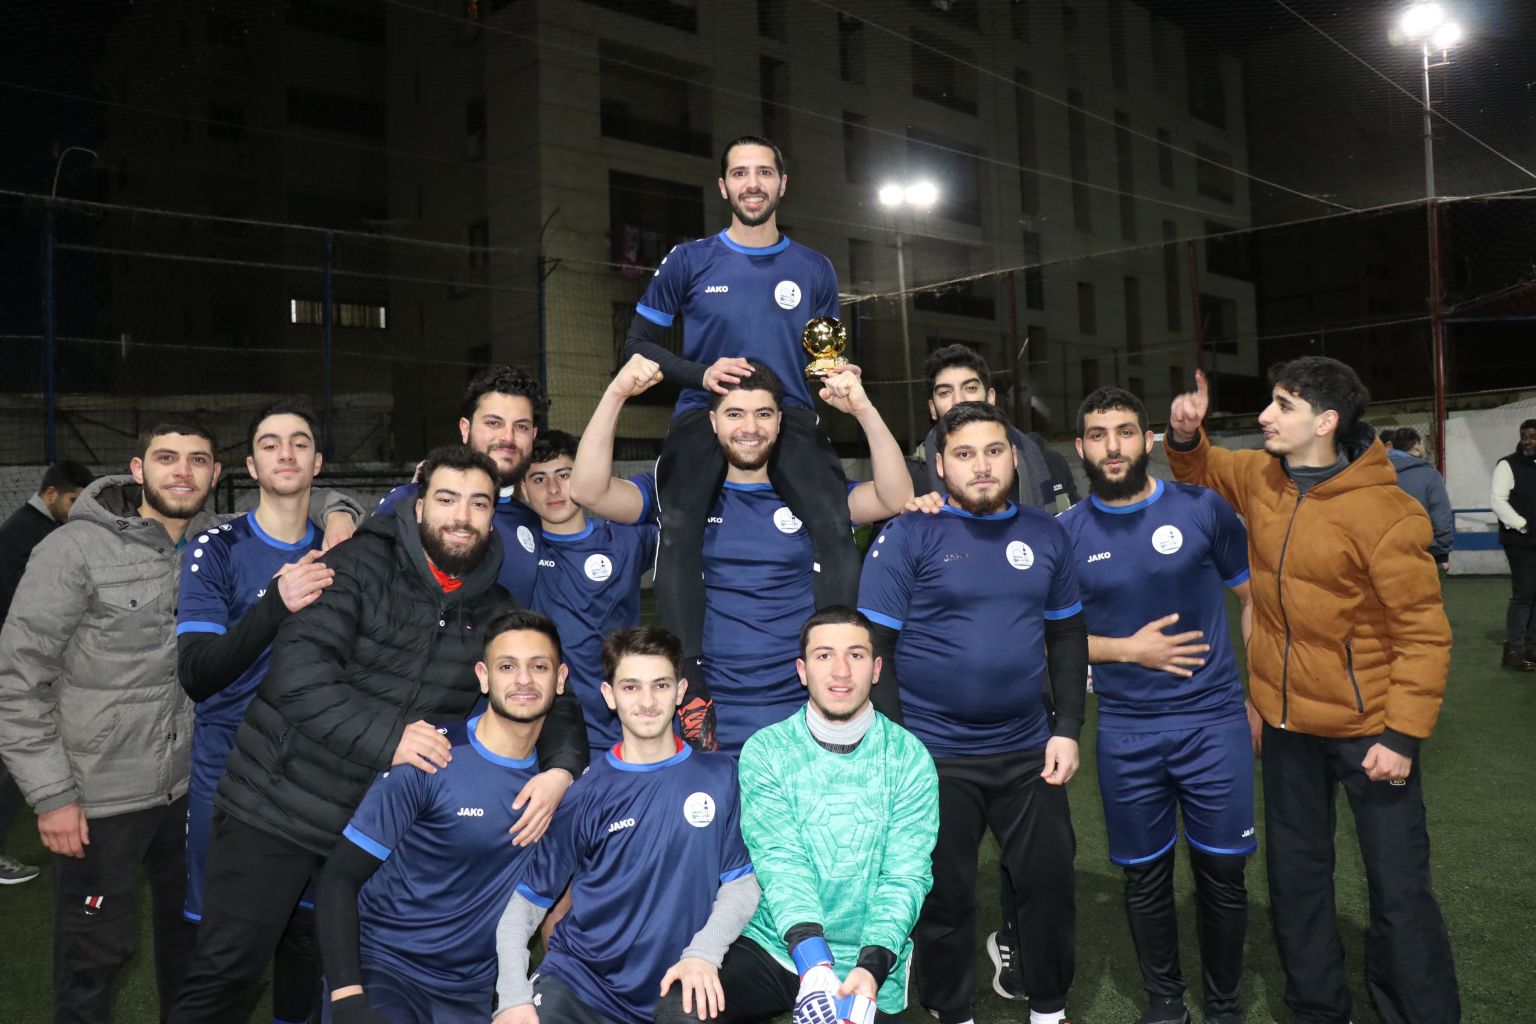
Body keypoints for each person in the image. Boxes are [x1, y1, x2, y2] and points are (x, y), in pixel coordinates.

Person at [170, 445, 588, 1023]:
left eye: (478, 503)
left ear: (493, 515)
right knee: (227, 975)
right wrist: (392, 736)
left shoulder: (494, 608)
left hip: (370, 828)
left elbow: (552, 694)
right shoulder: (356, 565)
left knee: (321, 981)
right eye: (447, 499)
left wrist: (560, 770)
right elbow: (296, 678)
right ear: (418, 507)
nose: (462, 516)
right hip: (278, 807)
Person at [0, 424, 357, 1022]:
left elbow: (294, 495)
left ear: (217, 474)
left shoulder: (217, 540)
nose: (182, 472)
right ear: (137, 470)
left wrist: (341, 510)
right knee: (94, 957)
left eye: (198, 461)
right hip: (102, 793)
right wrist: (52, 792)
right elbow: (17, 676)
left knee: (191, 947)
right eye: (167, 458)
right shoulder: (74, 549)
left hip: (191, 789)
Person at [1166, 361, 1459, 1024]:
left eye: (1283, 405)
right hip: (1289, 728)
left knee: (1399, 890)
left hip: (1371, 732)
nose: (1265, 416)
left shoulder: (1388, 513)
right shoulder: (1262, 477)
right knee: (1296, 882)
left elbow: (1423, 634)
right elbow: (1202, 468)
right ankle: (1318, 1009)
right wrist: (1185, 434)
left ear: (1325, 422)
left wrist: (1402, 735)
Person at [857, 401, 1088, 1024]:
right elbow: (875, 650)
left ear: (1013, 457)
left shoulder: (1046, 533)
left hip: (1028, 747)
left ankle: (1048, 1008)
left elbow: (1068, 633)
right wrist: (899, 749)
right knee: (944, 894)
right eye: (964, 454)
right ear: (940, 465)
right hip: (935, 753)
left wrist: (1068, 728)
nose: (981, 466)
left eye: (993, 451)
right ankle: (952, 1008)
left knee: (1048, 882)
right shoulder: (910, 532)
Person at [622, 134, 860, 705]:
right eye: (740, 173)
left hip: (790, 417)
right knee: (680, 529)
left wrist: (839, 375)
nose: (753, 183)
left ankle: (837, 665)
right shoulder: (689, 260)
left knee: (834, 525)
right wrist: (700, 373)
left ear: (782, 184)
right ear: (723, 187)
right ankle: (691, 681)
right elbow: (638, 344)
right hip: (703, 415)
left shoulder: (815, 268)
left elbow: (823, 355)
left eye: (764, 173)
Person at [572, 357, 912, 753]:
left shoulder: (817, 497)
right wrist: (616, 394)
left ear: (779, 422)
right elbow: (588, 491)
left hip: (802, 705)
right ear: (713, 422)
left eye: (763, 414)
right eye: (735, 414)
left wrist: (863, 410)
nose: (750, 428)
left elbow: (895, 498)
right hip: (708, 705)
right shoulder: (675, 494)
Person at [1058, 387, 1255, 1024]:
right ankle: (1165, 1001)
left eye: (1124, 432)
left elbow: (1254, 599)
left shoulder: (1203, 509)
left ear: (1147, 440)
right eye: (1097, 435)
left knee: (1222, 873)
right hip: (1127, 731)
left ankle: (1223, 1005)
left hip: (1213, 722)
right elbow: (1047, 636)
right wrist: (1127, 650)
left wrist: (1257, 695)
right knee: (1145, 876)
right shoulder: (1066, 534)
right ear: (1081, 447)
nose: (1111, 446)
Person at [905, 343, 1076, 998]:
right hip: (941, 738)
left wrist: (1067, 719)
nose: (980, 464)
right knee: (944, 879)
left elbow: (1066, 618)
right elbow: (883, 632)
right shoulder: (914, 500)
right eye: (945, 392)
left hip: (1027, 721)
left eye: (970, 387)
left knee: (1041, 871)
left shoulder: (1040, 488)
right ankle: (947, 989)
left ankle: (1029, 968)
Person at [174, 401, 347, 1024]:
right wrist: (275, 602)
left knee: (307, 938)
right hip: (229, 777)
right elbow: (198, 674)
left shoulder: (344, 550)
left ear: (318, 462)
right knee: (222, 953)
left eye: (300, 442)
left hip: (319, 780)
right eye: (270, 444)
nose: (286, 453)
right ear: (250, 466)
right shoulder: (216, 549)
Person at [492, 625, 759, 1024]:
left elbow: (741, 884)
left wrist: (705, 952)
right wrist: (513, 995)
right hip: (581, 986)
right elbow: (525, 904)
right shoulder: (585, 793)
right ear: (609, 695)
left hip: (675, 984)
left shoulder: (719, 776)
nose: (647, 702)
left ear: (681, 691)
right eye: (631, 687)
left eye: (660, 685)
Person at [316, 610, 568, 1024]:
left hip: (469, 991)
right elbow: (338, 879)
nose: (523, 680)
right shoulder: (431, 757)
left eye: (538, 667)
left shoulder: (559, 786)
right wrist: (347, 999)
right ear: (484, 677)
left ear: (560, 679)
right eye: (507, 666)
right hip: (385, 969)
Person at [689, 606, 937, 1024]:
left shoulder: (910, 758)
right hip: (777, 945)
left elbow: (905, 876)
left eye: (855, 655)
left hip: (867, 961)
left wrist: (872, 966)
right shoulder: (766, 751)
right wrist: (814, 962)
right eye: (824, 655)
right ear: (802, 671)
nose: (841, 671)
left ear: (876, 669)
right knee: (684, 1008)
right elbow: (781, 862)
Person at [523, 429, 659, 757]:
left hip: (623, 728)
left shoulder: (624, 541)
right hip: (546, 735)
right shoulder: (516, 549)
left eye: (564, 475)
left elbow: (688, 523)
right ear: (523, 491)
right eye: (539, 479)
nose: (553, 489)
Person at [376, 365, 548, 606]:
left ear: (533, 435)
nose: (508, 437)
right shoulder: (409, 501)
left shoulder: (532, 521)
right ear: (465, 429)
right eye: (494, 423)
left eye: (521, 426)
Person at [0, 459, 95, 886]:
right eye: (73, 500)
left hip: (29, 667)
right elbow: (23, 610)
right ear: (51, 493)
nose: (78, 509)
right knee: (30, 756)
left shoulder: (44, 530)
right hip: (20, 670)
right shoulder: (24, 533)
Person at [910, 344, 1078, 514]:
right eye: (945, 393)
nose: (959, 400)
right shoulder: (913, 478)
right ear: (932, 408)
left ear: (991, 398)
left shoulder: (1048, 462)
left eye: (970, 388)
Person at [1491, 418, 1536, 671]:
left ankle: (1532, 647)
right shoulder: (1507, 465)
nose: (1527, 441)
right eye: (1524, 436)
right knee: (1524, 593)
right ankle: (1514, 651)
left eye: (1532, 436)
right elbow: (1498, 500)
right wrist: (1521, 524)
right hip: (1520, 541)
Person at [1384, 427, 1453, 572]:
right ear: (1416, 445)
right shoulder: (1429, 475)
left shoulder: (1376, 472)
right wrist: (1442, 551)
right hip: (1424, 549)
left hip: (1384, 549)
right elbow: (1441, 514)